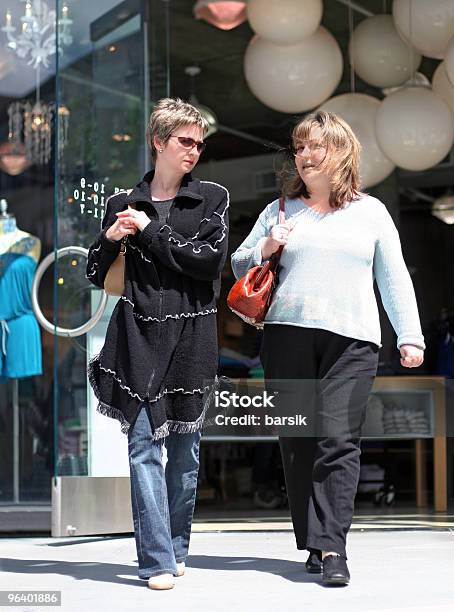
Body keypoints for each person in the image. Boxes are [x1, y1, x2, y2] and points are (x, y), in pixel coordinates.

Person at [230, 110, 424, 586]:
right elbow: (239, 264)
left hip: (352, 338)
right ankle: (313, 542)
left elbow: (393, 276)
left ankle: (333, 546)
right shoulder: (279, 210)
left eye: (315, 147)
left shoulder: (371, 211)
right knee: (297, 442)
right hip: (285, 336)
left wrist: (410, 334)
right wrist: (266, 248)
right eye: (299, 148)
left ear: (342, 153)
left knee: (338, 439)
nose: (305, 156)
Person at [86, 98, 229, 590]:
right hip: (138, 336)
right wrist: (110, 236)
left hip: (191, 337)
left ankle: (176, 544)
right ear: (159, 142)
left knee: (185, 455)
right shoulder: (122, 203)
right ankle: (156, 561)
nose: (194, 150)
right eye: (185, 141)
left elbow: (208, 263)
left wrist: (149, 232)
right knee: (144, 447)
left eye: (199, 143)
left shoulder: (211, 198)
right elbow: (93, 273)